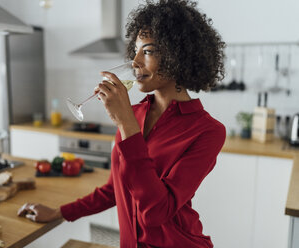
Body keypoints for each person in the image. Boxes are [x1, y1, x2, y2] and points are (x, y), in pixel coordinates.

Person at [17, 0, 226, 247]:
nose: (135, 61)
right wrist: (60, 213)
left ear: (178, 55)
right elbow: (114, 189)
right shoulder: (132, 114)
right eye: (135, 50)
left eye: (148, 51)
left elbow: (156, 212)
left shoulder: (207, 131)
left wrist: (127, 125)